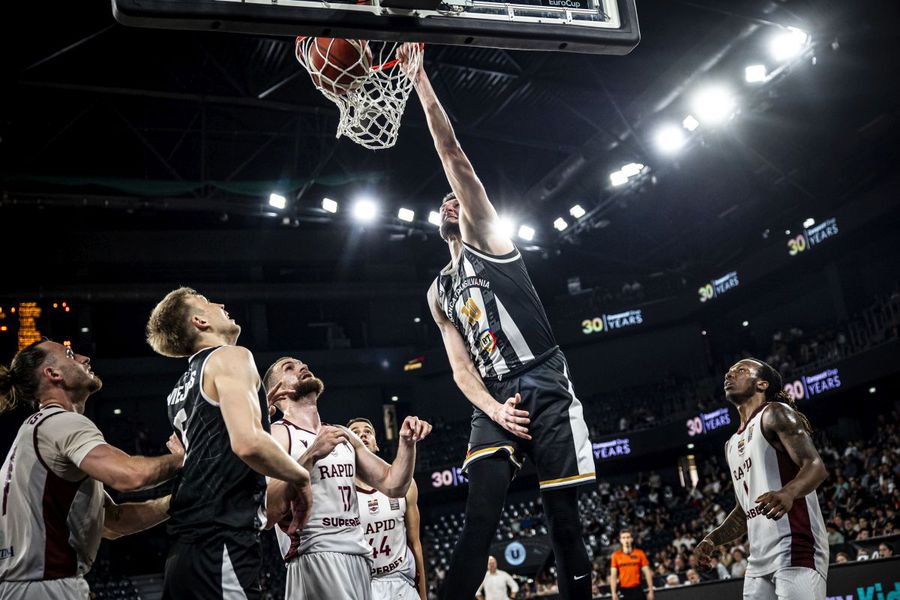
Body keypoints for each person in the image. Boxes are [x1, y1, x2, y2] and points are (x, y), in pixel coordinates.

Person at [397, 44, 595, 600]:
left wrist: (420, 83)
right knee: (479, 513)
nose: (451, 203)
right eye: (444, 204)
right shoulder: (438, 290)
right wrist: (492, 409)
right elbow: (461, 370)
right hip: (496, 397)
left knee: (564, 520)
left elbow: (452, 154)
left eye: (457, 199)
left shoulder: (491, 241)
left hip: (544, 378)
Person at [146, 287, 312, 600]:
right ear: (199, 321)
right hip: (221, 538)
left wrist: (261, 409)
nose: (220, 304)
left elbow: (213, 444)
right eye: (208, 303)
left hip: (185, 547)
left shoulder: (179, 390)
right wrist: (300, 477)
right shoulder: (231, 356)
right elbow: (248, 444)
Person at [0, 340, 184, 599]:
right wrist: (184, 459)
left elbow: (112, 522)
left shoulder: (34, 431)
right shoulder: (61, 422)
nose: (84, 357)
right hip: (46, 585)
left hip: (25, 584)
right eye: (69, 354)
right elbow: (131, 475)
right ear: (53, 374)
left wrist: (177, 502)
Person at [263, 356, 432, 600]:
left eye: (303, 364)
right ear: (277, 393)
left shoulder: (340, 434)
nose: (303, 367)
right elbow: (268, 513)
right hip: (317, 555)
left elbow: (393, 484)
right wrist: (311, 455)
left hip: (360, 559)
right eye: (289, 367)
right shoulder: (278, 433)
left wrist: (406, 445)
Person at [695, 359, 829, 600]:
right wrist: (713, 539)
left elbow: (816, 466)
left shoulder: (775, 413)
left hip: (796, 547)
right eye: (728, 371)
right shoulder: (731, 444)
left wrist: (789, 492)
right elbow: (743, 511)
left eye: (741, 371)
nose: (729, 375)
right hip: (757, 561)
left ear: (762, 384)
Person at [348, 417, 427, 600]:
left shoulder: (405, 484)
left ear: (375, 444)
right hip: (364, 585)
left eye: (368, 431)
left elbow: (415, 543)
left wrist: (423, 595)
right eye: (355, 433)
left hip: (401, 582)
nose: (362, 435)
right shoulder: (342, 492)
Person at [609, 530, 654, 600]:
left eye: (628, 537)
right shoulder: (616, 556)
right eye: (623, 538)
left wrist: (651, 591)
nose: (626, 540)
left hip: (637, 589)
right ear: (620, 540)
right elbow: (613, 576)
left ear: (631, 539)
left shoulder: (640, 553)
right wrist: (613, 593)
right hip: (623, 590)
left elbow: (647, 573)